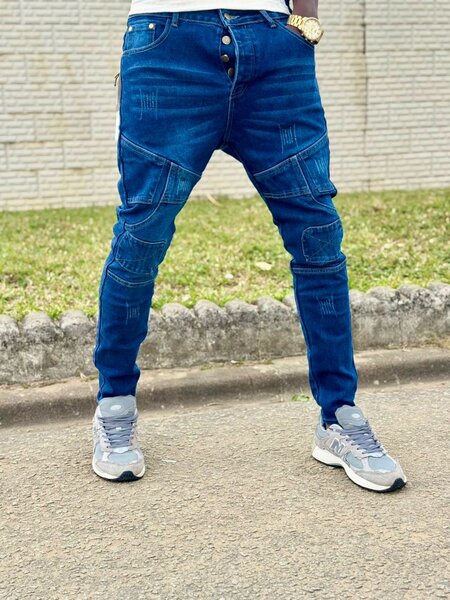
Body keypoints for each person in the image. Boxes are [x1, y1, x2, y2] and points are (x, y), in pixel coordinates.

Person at [91, 0, 407, 492]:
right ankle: (115, 404)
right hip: (166, 45)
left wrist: (304, 23)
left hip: (275, 42)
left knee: (317, 232)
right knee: (142, 234)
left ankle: (339, 417)